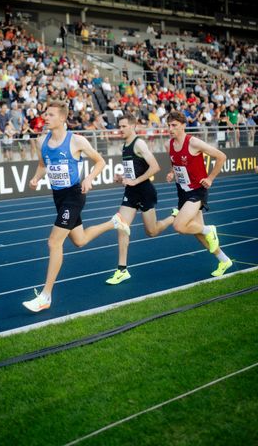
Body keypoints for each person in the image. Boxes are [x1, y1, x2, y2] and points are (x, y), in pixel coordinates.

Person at [22, 101, 130, 313]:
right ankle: (114, 222)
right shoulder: (42, 141)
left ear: (62, 118)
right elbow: (43, 165)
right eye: (46, 113)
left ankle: (45, 296)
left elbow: (100, 161)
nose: (46, 117)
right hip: (58, 197)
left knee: (54, 242)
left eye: (51, 114)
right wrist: (35, 178)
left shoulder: (77, 140)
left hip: (74, 195)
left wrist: (89, 178)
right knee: (79, 240)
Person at [106, 112, 178, 284]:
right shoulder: (125, 145)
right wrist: (121, 178)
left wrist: (135, 180)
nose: (120, 129)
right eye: (119, 126)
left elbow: (155, 167)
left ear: (133, 126)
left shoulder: (139, 144)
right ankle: (122, 269)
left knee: (151, 231)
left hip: (145, 191)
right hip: (131, 193)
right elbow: (134, 170)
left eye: (124, 126)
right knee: (122, 226)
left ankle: (174, 216)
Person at [166, 110, 232, 277]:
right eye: (169, 125)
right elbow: (176, 162)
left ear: (183, 126)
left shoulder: (193, 142)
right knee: (197, 232)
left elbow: (221, 156)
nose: (170, 128)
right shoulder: (170, 144)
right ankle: (224, 260)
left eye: (174, 125)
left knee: (179, 226)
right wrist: (172, 172)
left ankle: (209, 230)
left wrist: (210, 178)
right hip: (182, 191)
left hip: (197, 191)